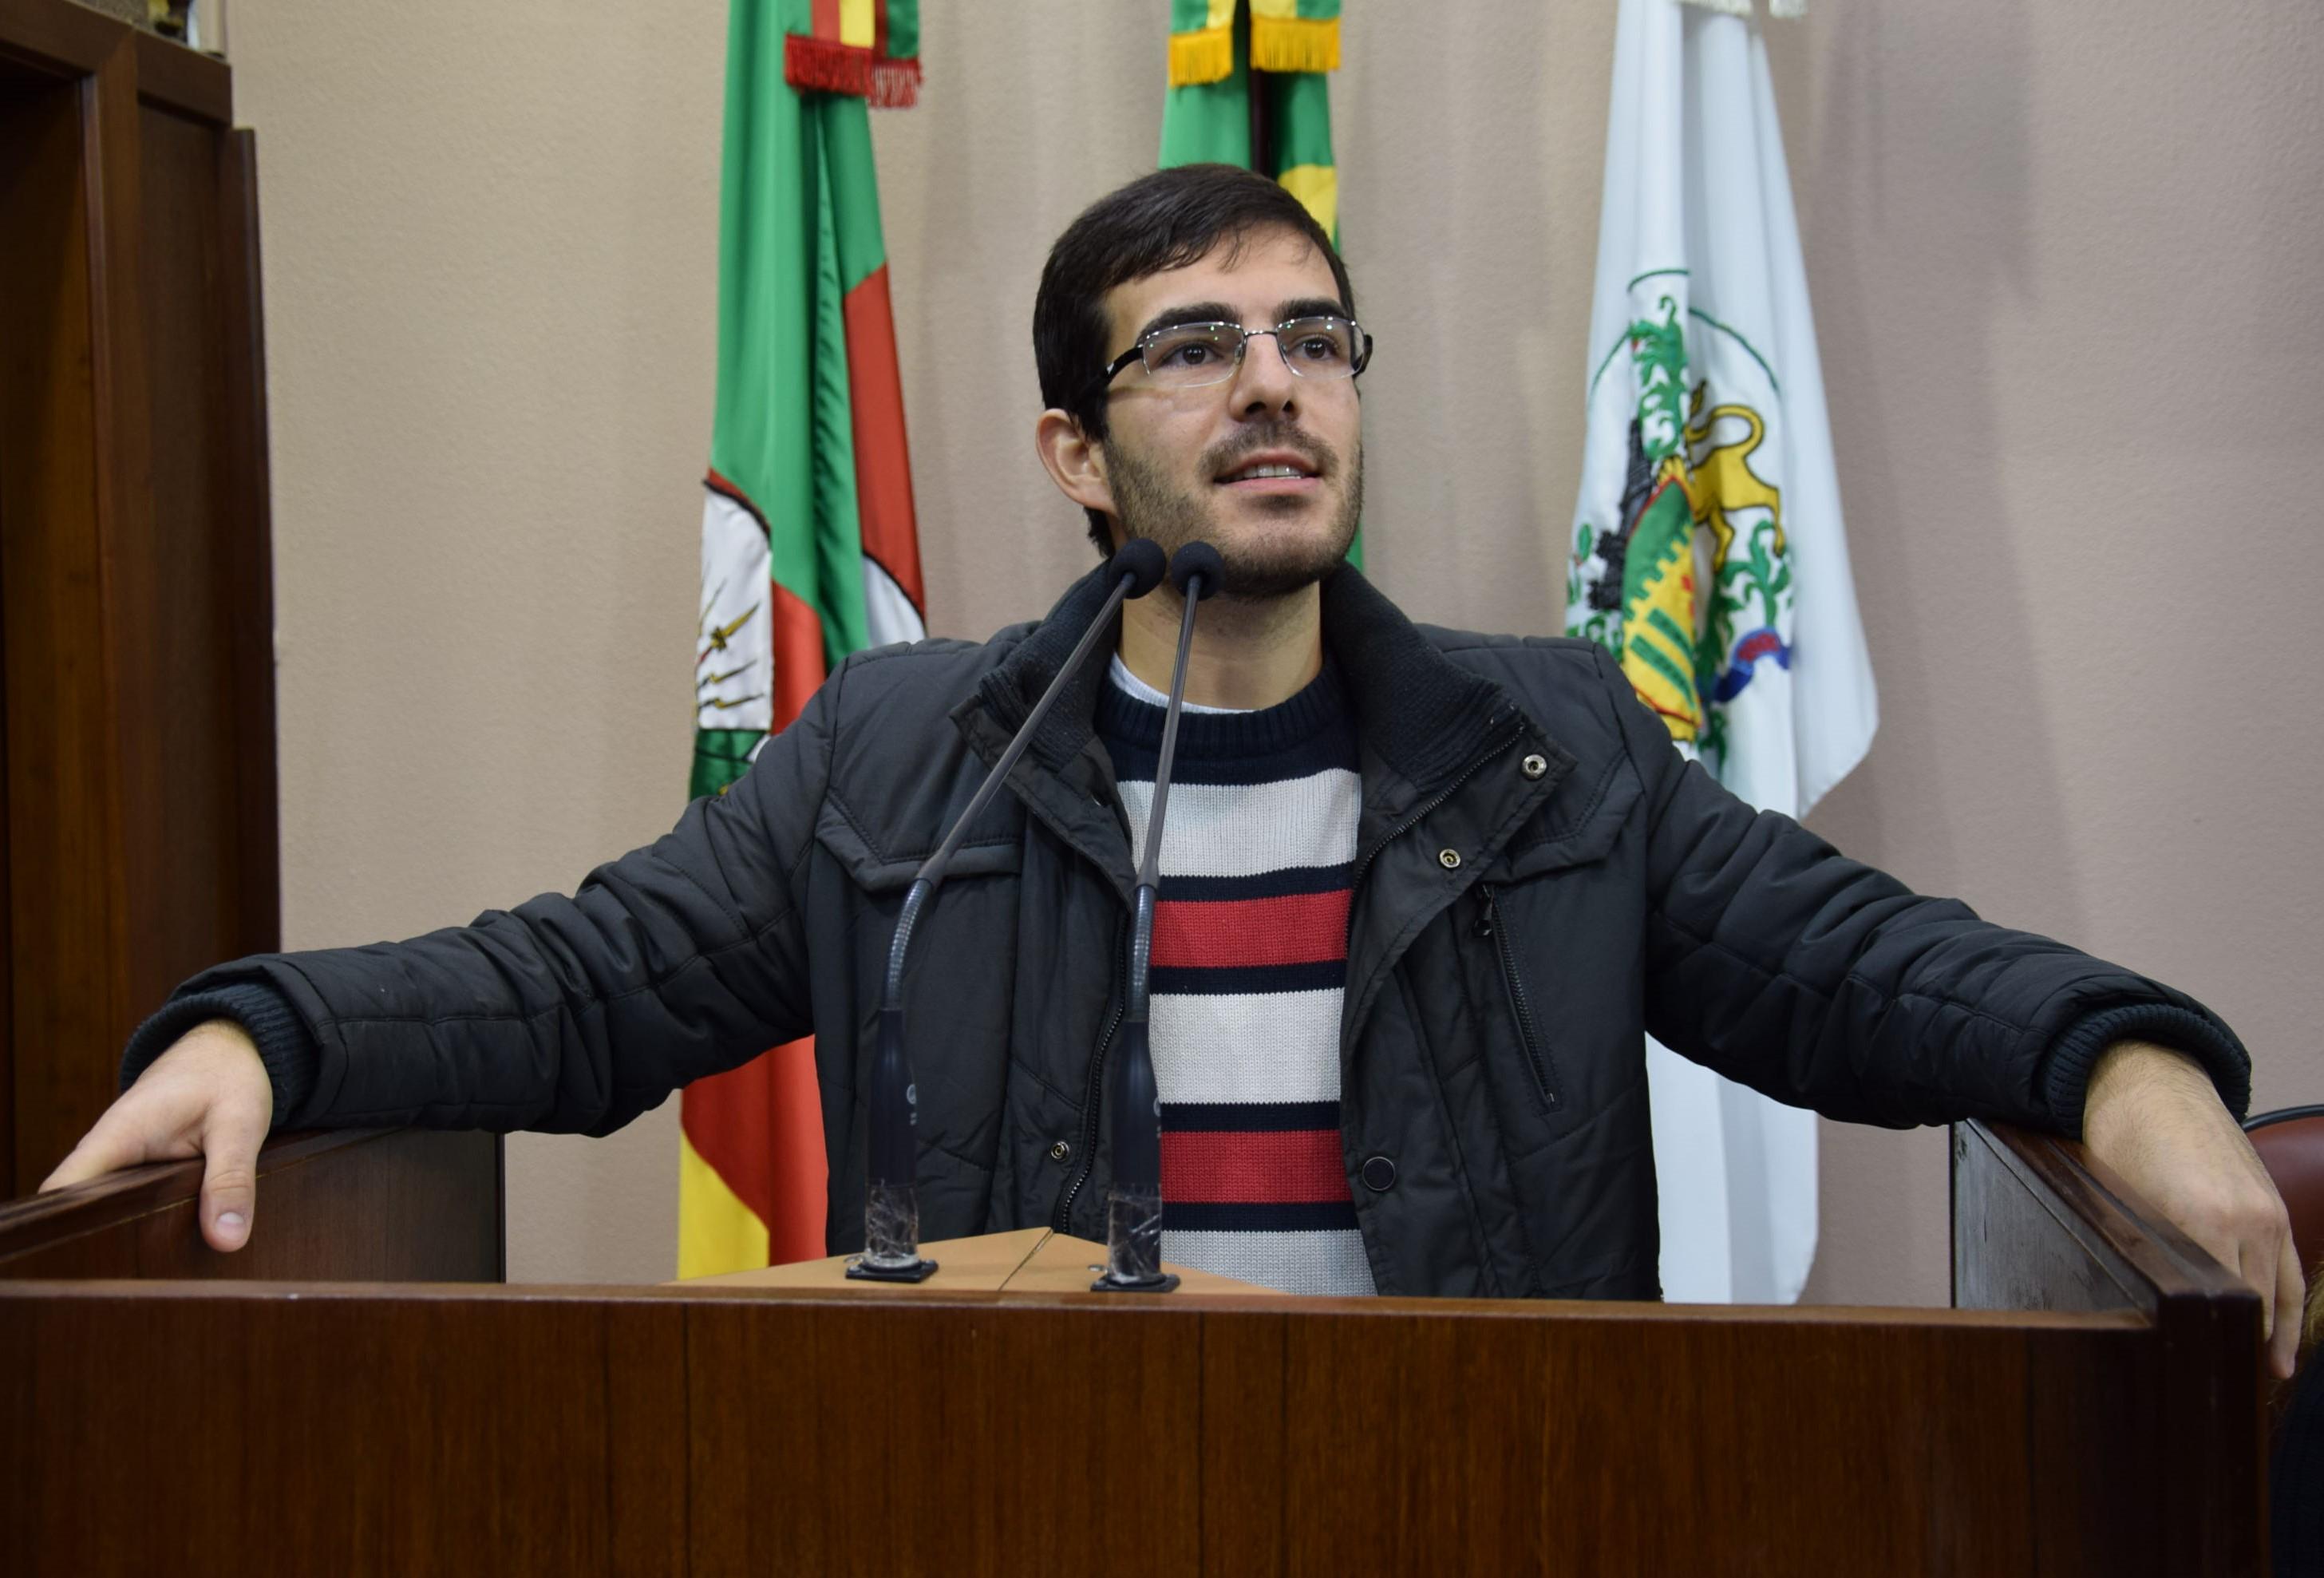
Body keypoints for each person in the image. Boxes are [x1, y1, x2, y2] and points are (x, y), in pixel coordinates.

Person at [39, 165, 2303, 1367]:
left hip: (1465, 1528)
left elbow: (1861, 968)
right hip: (1041, 1521)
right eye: (1198, 347)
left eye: (1315, 340)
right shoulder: (907, 760)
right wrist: (272, 1025)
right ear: (1073, 449)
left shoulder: (1549, 750)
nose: (1275, 388)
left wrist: (2121, 1063)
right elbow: (579, 985)